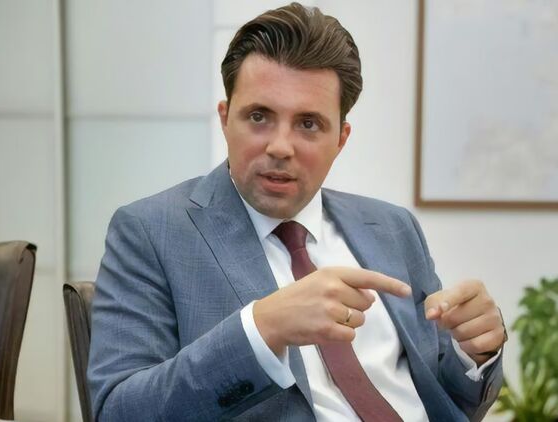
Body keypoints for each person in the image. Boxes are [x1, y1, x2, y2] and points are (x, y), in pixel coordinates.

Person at [87, 3, 506, 421]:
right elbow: (119, 412)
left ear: (340, 139)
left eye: (308, 124)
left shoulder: (393, 227)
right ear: (225, 120)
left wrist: (473, 353)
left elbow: (445, 398)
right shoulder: (151, 231)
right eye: (259, 116)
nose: (280, 147)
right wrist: (262, 328)